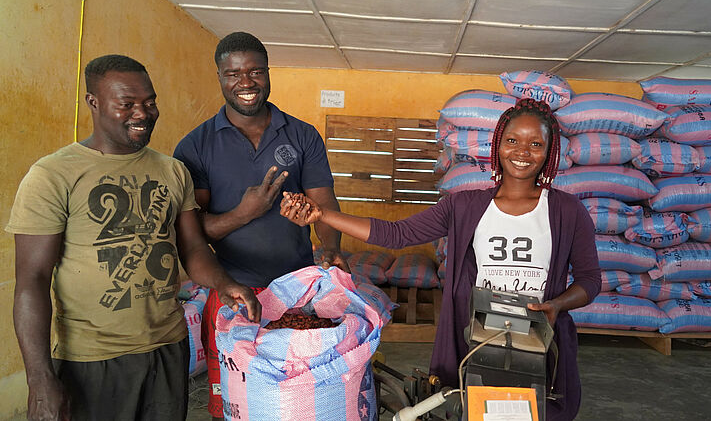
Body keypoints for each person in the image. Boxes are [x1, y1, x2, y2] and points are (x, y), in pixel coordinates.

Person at [281, 98, 601, 420]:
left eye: (535, 144)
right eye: (512, 141)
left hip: (537, 341)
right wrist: (322, 214)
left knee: (535, 412)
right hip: (477, 338)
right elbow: (396, 234)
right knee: (476, 410)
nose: (522, 152)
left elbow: (590, 280)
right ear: (498, 144)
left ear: (549, 151)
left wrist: (557, 305)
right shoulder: (464, 206)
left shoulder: (566, 211)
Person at [7, 55, 261, 421]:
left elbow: (190, 248)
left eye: (150, 102)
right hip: (93, 360)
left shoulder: (172, 171)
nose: (143, 113)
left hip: (168, 349)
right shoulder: (52, 175)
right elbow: (32, 280)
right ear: (93, 102)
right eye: (126, 104)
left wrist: (223, 283)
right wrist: (39, 377)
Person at [173, 31, 346, 420]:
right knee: (234, 400)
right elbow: (191, 234)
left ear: (268, 73)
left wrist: (331, 246)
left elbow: (324, 204)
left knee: (296, 395)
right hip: (231, 292)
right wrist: (243, 213)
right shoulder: (195, 146)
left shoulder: (301, 135)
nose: (246, 83)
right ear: (219, 76)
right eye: (233, 74)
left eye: (255, 72)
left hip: (295, 291)